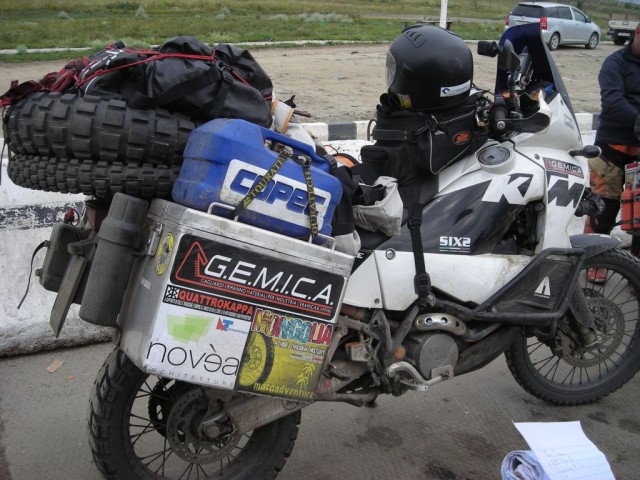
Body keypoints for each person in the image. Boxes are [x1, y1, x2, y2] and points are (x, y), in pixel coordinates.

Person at [584, 23, 640, 283]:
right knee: (604, 208)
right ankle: (595, 258)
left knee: (639, 213)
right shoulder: (615, 63)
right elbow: (613, 100)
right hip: (611, 147)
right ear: (637, 34)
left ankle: (635, 268)